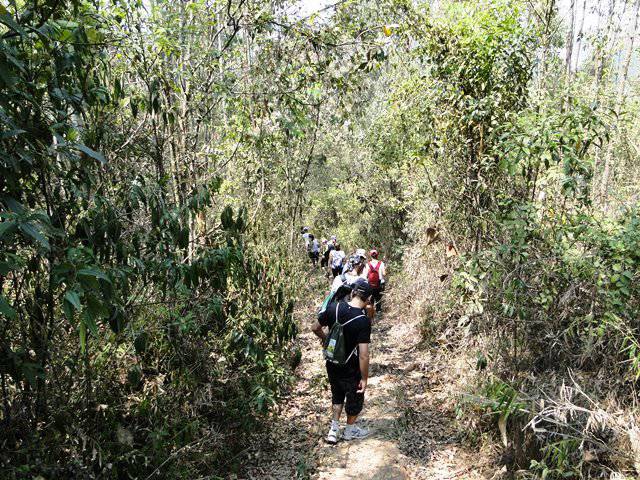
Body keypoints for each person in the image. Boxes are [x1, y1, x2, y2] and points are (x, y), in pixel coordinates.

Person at [312, 278, 373, 444]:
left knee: (336, 394)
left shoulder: (334, 307)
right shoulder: (363, 321)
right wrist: (364, 378)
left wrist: (326, 340)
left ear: (352, 292)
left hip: (332, 362)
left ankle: (333, 430)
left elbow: (315, 327)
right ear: (368, 300)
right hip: (350, 366)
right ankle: (349, 430)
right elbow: (363, 355)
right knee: (355, 397)